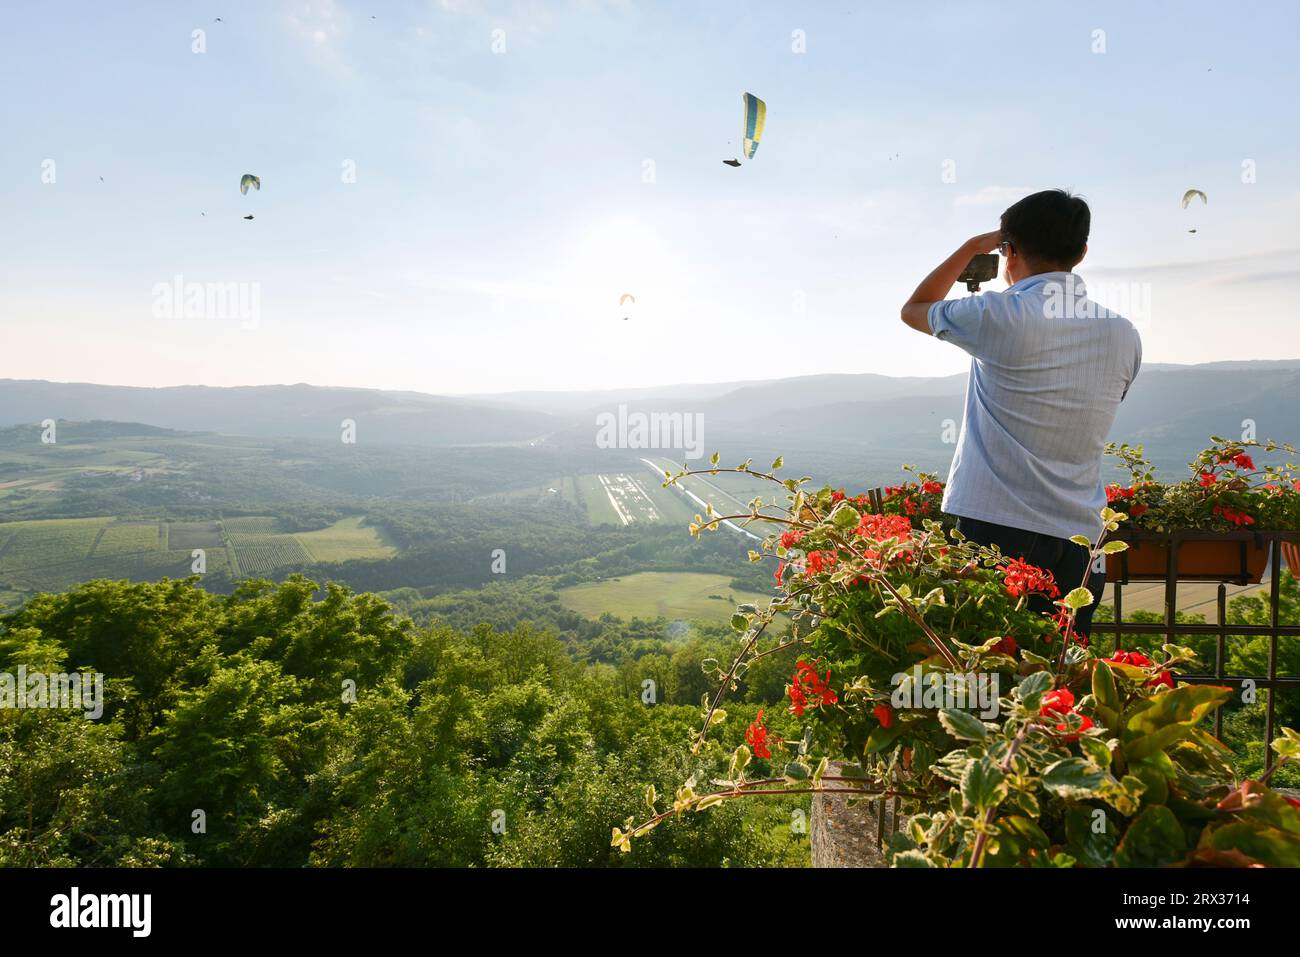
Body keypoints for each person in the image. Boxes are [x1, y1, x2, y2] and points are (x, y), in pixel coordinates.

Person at [899, 189, 1141, 636]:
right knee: (1059, 684)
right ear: (1082, 253)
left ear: (1007, 251)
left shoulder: (999, 313)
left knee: (988, 680)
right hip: (1083, 541)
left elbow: (914, 310)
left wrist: (972, 247)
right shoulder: (1124, 334)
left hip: (998, 529)